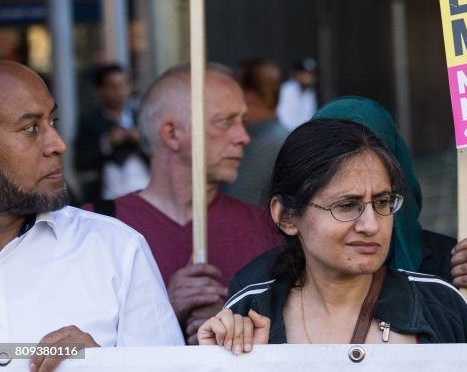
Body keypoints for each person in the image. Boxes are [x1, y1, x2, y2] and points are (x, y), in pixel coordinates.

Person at [230, 96, 467, 342]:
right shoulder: (250, 309)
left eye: (383, 202)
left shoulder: (445, 299)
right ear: (286, 215)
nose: (371, 225)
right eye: (346, 205)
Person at [0, 61, 182, 371]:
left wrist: (100, 362)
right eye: (31, 128)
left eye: (52, 121)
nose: (58, 144)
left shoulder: (115, 249)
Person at [91, 64, 277, 344]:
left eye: (242, 120)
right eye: (225, 121)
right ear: (172, 133)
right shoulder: (98, 227)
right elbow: (58, 350)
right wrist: (162, 312)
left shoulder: (268, 229)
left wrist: (238, 325)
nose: (243, 137)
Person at [73, 63, 149, 204]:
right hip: (108, 197)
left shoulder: (142, 116)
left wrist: (142, 140)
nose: (120, 91)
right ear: (99, 90)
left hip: (144, 191)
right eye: (113, 87)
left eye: (124, 85)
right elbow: (81, 162)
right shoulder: (89, 122)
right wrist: (106, 143)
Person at [222, 58, 289, 206]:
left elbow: (234, 204)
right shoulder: (283, 137)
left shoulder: (262, 145)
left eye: (234, 89)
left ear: (248, 96)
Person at [277, 58, 318, 131]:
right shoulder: (285, 90)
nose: (308, 76)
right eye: (304, 73)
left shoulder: (311, 92)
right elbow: (283, 119)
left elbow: (308, 117)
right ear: (296, 74)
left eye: (311, 73)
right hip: (284, 134)